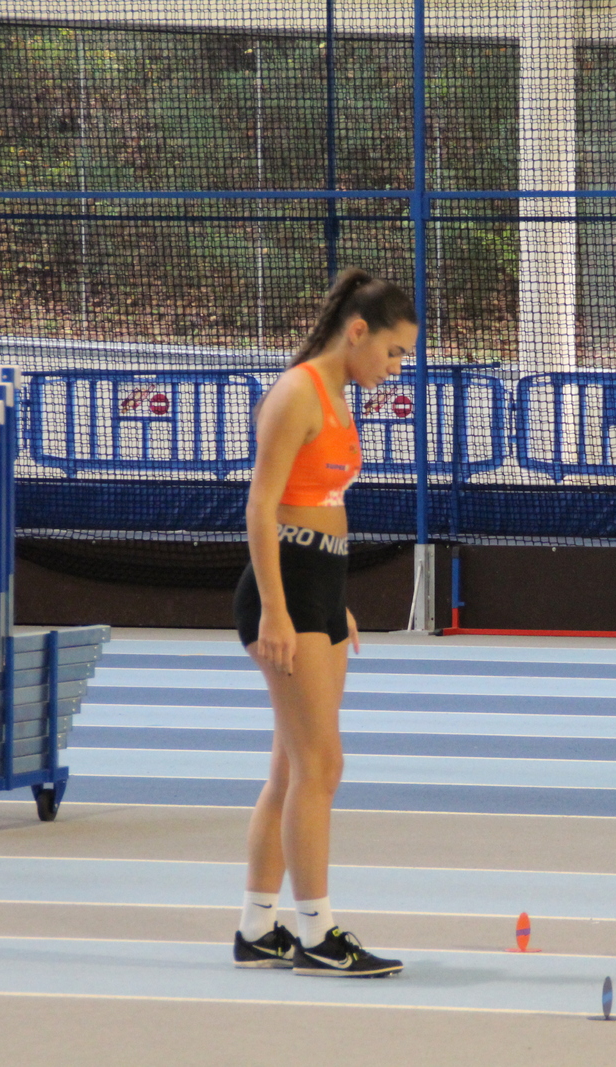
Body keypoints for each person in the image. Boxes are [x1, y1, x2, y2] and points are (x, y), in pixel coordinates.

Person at [231, 268, 418, 977]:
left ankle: (258, 929)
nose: (396, 369)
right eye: (394, 352)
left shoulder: (338, 397)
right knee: (322, 765)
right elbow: (261, 506)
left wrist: (332, 597)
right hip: (285, 593)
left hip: (319, 588)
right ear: (358, 331)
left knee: (290, 768)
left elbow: (320, 505)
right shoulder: (297, 392)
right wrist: (277, 608)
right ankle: (317, 935)